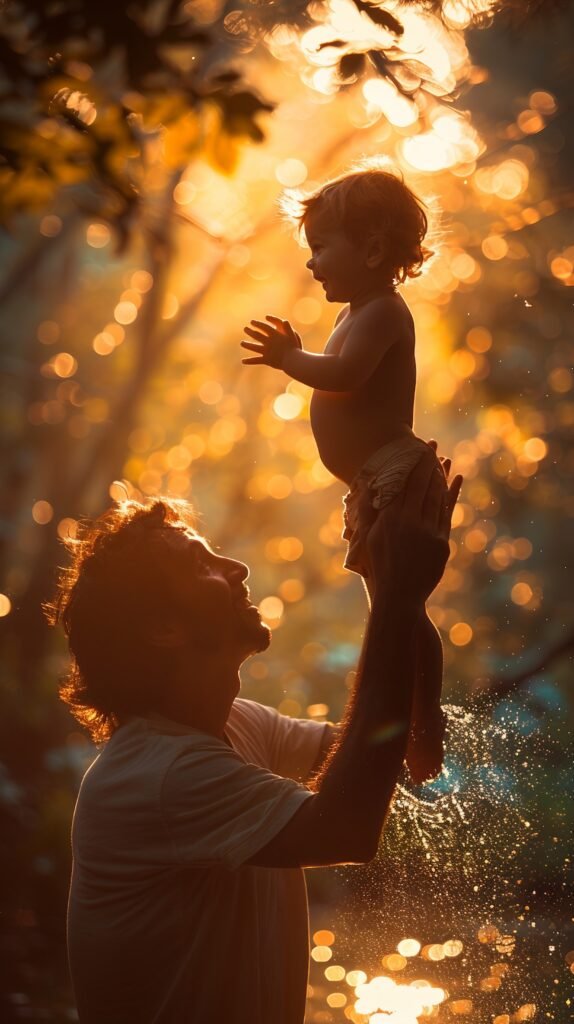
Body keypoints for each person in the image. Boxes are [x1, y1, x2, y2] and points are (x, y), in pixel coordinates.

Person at [48, 457, 460, 1024]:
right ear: (164, 629)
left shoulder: (236, 726)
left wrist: (379, 571)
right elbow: (347, 827)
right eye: (202, 565)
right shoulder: (161, 775)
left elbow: (409, 751)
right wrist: (394, 591)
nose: (237, 567)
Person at [241, 164, 444, 784]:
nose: (312, 264)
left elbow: (346, 376)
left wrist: (289, 358)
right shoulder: (353, 313)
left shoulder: (383, 312)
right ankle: (407, 717)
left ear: (374, 248)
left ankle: (425, 720)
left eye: (321, 248)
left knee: (400, 607)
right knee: (388, 609)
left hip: (394, 476)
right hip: (370, 485)